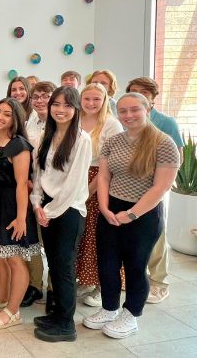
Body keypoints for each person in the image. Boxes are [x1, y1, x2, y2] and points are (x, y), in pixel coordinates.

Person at [83, 93, 179, 339]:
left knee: (135, 267)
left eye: (134, 110)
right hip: (111, 208)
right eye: (123, 111)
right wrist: (104, 208)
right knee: (107, 264)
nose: (128, 115)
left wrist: (132, 214)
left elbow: (160, 187)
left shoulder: (163, 143)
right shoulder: (114, 141)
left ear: (147, 109)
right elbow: (103, 177)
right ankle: (109, 308)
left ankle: (131, 314)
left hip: (144, 214)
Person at [31, 86, 92, 342]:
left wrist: (49, 210)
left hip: (68, 212)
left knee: (64, 268)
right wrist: (36, 203)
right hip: (46, 207)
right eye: (56, 104)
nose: (61, 110)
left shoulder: (82, 139)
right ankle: (57, 315)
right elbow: (38, 173)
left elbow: (75, 184)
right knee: (53, 265)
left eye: (67, 105)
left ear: (76, 109)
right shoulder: (47, 133)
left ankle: (66, 325)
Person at [0, 98, 39, 330]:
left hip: (12, 206)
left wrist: (21, 217)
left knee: (14, 259)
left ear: (16, 118)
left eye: (6, 113)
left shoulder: (19, 145)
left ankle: (13, 311)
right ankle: (1, 299)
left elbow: (22, 184)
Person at [126, 77, 184, 304]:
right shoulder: (127, 118)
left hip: (153, 187)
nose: (137, 95)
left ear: (152, 97)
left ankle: (160, 282)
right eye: (132, 91)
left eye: (142, 92)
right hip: (127, 187)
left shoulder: (166, 122)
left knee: (155, 236)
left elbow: (177, 157)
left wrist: (160, 184)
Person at [76, 83, 123, 308]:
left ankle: (101, 286)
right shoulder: (75, 119)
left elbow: (109, 166)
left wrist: (88, 191)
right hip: (77, 179)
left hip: (99, 182)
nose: (91, 103)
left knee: (98, 236)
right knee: (82, 236)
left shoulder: (112, 125)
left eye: (97, 99)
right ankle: (85, 279)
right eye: (87, 99)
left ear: (105, 100)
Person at [21, 81, 56, 309]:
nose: (40, 100)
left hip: (54, 190)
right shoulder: (29, 122)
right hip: (30, 186)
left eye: (45, 96)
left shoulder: (62, 123)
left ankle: (54, 289)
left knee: (53, 242)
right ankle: (34, 285)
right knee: (30, 240)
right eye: (36, 96)